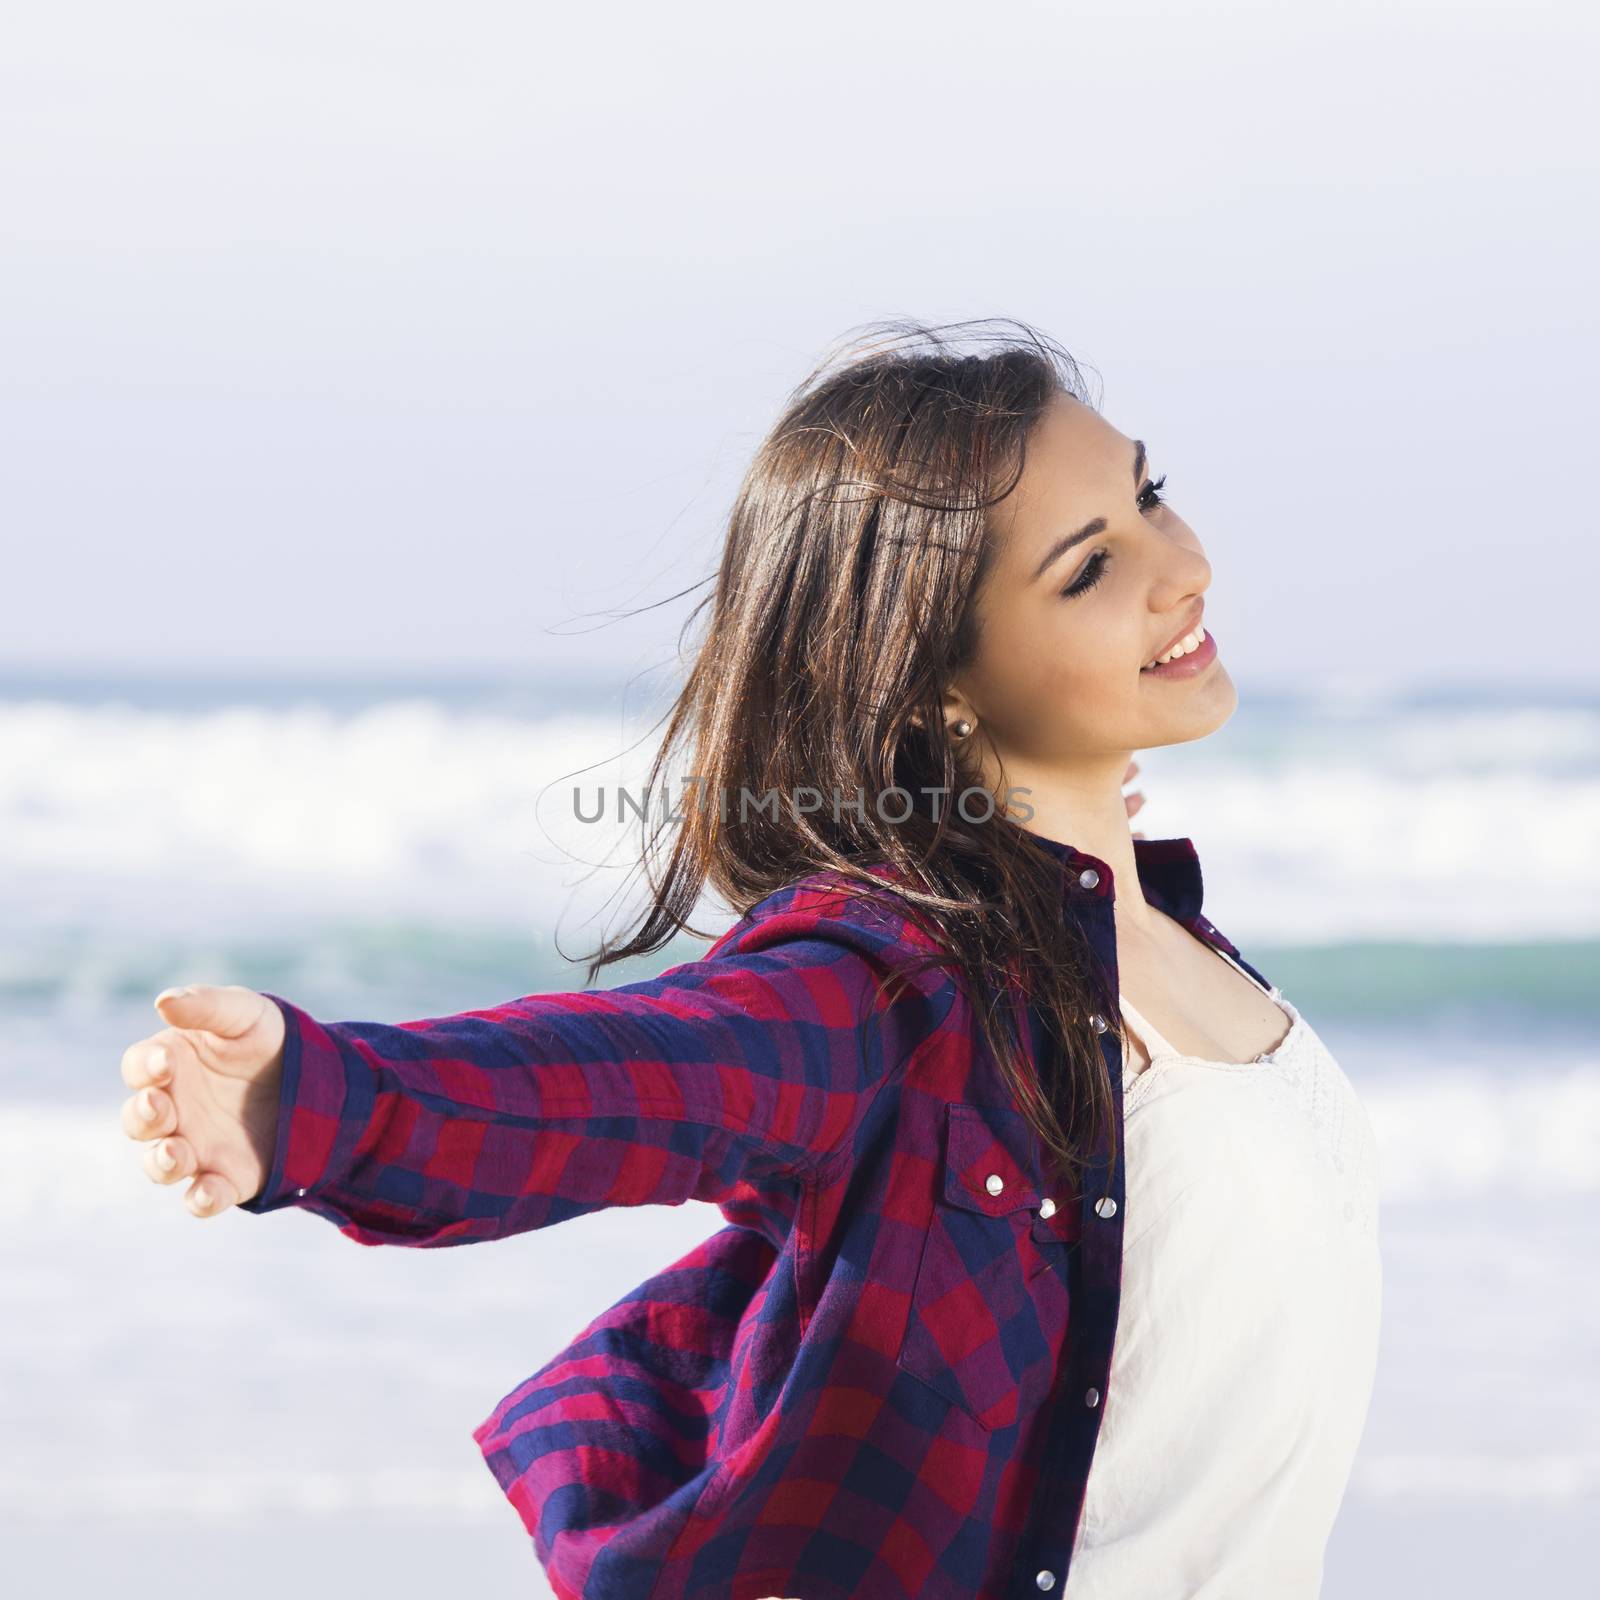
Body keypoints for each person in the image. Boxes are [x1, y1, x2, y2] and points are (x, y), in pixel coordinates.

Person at [117, 318, 1382, 1599]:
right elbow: (642, 1079)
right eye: (1086, 568)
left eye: (1147, 493)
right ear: (932, 677)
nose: (1183, 565)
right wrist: (315, 1100)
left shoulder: (1164, 930)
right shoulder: (905, 986)